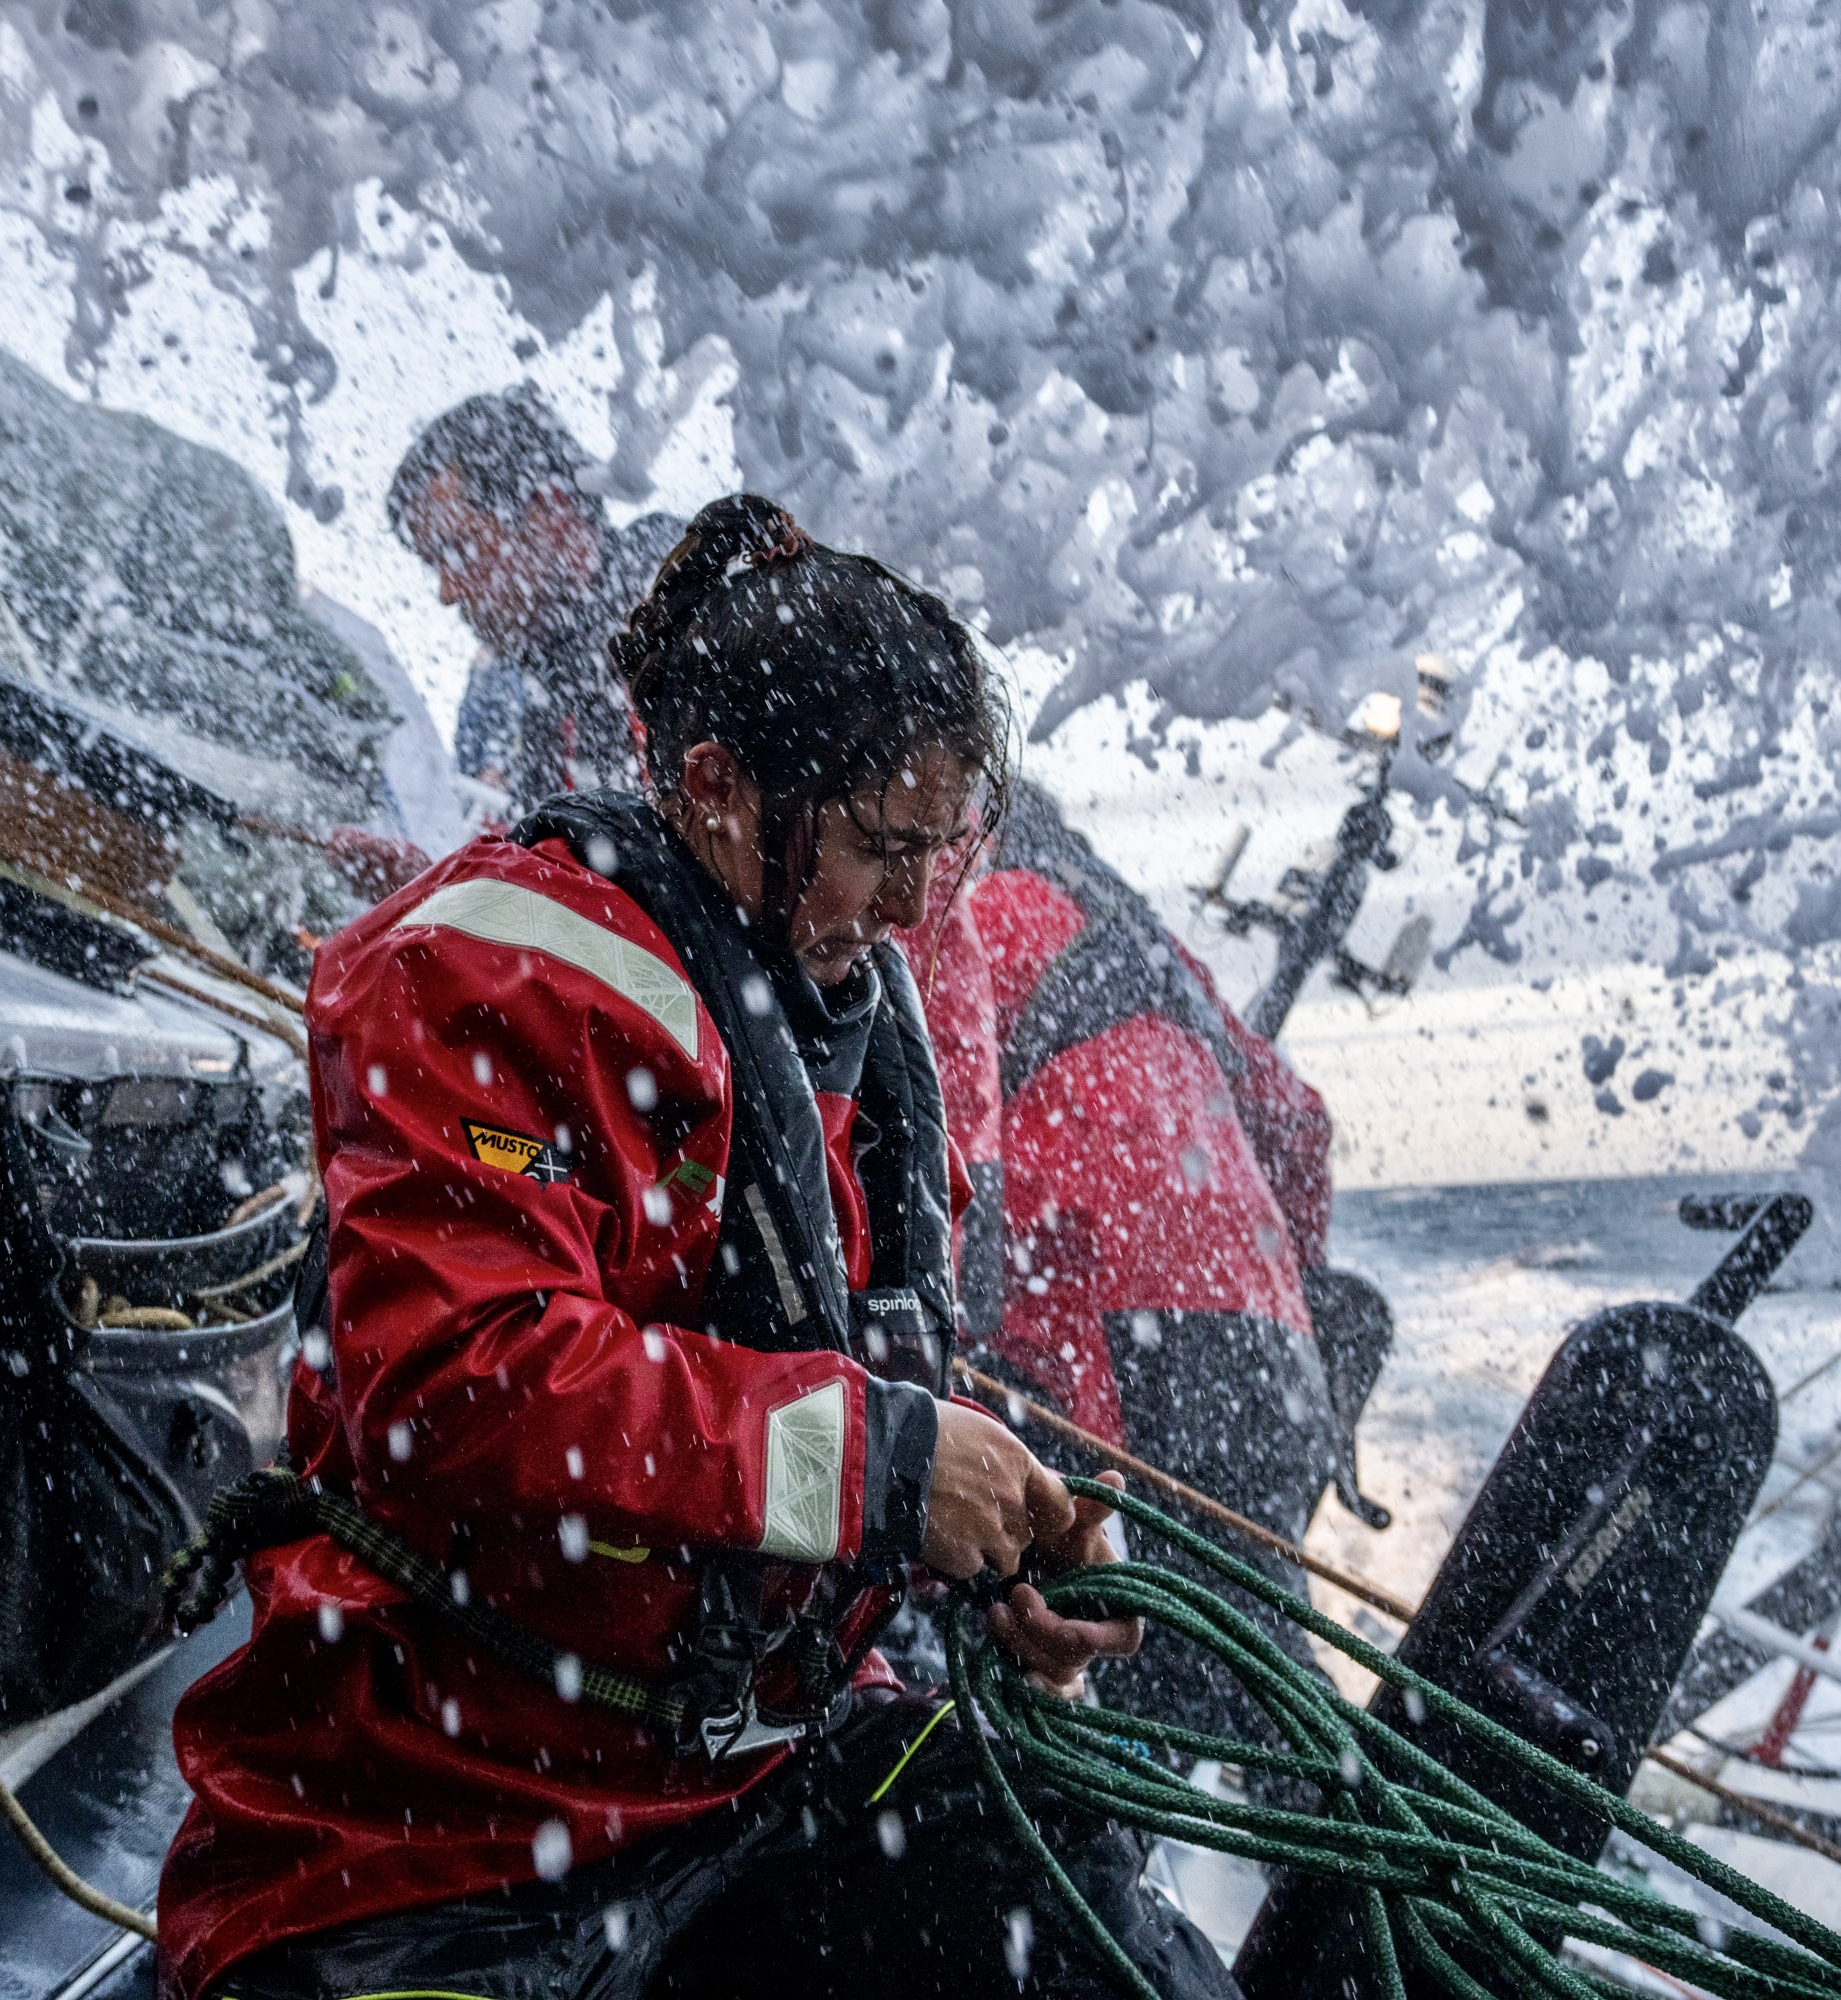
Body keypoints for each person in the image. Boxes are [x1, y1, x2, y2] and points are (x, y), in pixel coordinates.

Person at [159, 495, 1240, 2000]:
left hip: (751, 1784)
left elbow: (841, 1368)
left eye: (935, 854)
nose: (911, 908)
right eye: (879, 847)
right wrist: (884, 1468)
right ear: (718, 785)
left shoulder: (838, 1022)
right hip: (435, 1837)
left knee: (1082, 1912)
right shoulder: (489, 975)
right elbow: (454, 1382)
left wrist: (995, 1548)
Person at [912, 781, 1390, 1756]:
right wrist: (1284, 1288)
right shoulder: (1142, 942)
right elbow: (1296, 1121)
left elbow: (943, 1146)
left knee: (1105, 1670)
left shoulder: (958, 912)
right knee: (1254, 1658)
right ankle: (1368, 1826)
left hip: (1104, 1340)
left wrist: (930, 1350)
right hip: (1267, 1352)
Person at [385, 386, 679, 801]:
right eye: (433, 565)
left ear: (552, 512)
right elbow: (550, 840)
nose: (446, 592)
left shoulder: (691, 592)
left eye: (459, 550)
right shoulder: (554, 695)